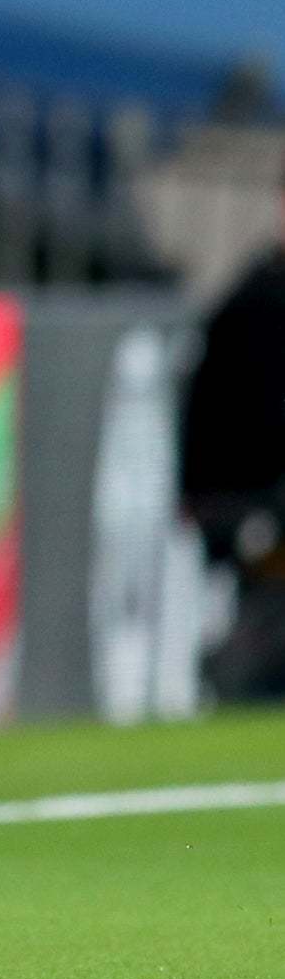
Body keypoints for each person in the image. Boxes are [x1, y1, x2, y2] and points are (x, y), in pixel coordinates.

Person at [180, 167, 285, 699]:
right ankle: (228, 683)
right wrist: (203, 499)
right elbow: (212, 412)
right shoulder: (254, 301)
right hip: (250, 503)